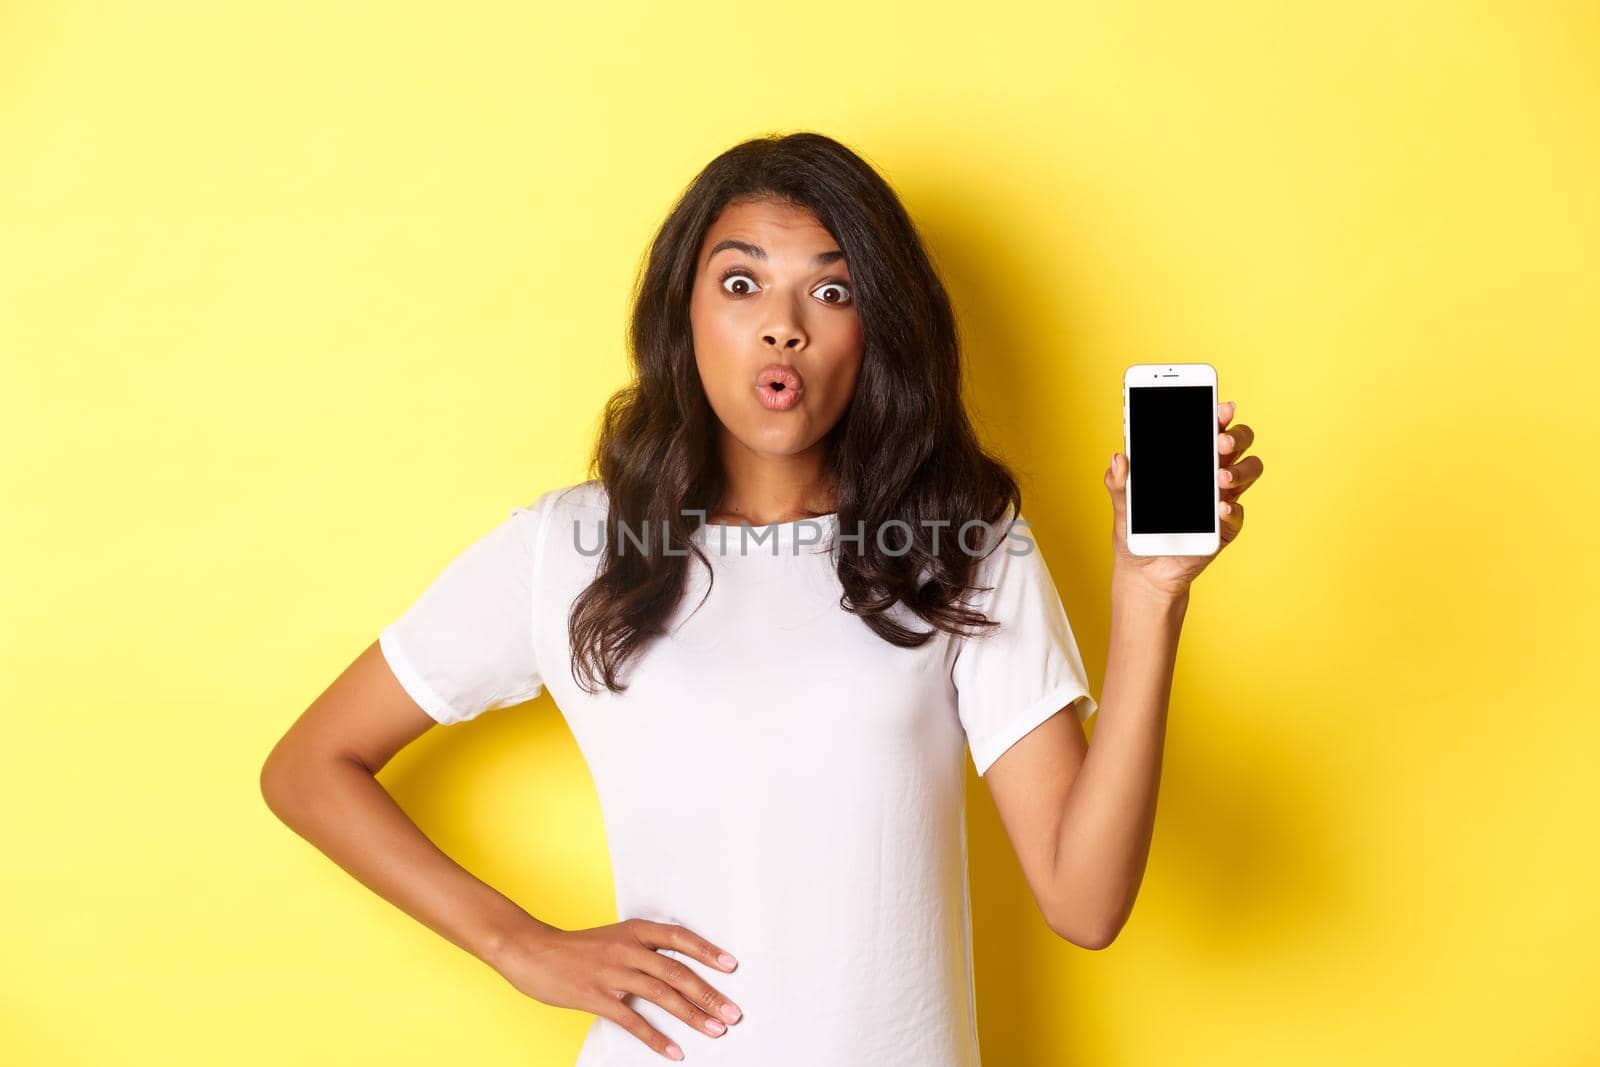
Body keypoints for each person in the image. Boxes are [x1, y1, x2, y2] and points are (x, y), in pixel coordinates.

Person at [259, 131, 1262, 1066]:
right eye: (741, 283)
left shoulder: (962, 544)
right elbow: (307, 767)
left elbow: (1083, 901)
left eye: (831, 292)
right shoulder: (572, 546)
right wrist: (517, 942)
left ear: (878, 329)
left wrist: (1149, 593)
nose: (782, 326)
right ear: (684, 312)